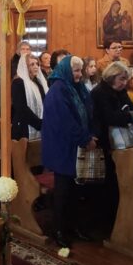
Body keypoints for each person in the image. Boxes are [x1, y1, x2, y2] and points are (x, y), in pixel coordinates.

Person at [91, 62, 133, 233]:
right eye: (121, 79)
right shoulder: (99, 92)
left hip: (120, 144)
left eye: (125, 79)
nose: (124, 83)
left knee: (121, 182)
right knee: (108, 185)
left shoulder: (119, 91)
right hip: (103, 143)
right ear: (112, 76)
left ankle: (124, 221)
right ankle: (109, 225)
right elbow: (109, 117)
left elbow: (129, 108)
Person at [41, 56, 94, 248]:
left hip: (76, 145)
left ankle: (74, 227)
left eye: (80, 70)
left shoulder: (76, 87)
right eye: (76, 71)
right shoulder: (58, 89)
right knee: (63, 192)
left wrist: (89, 134)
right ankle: (58, 230)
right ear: (66, 71)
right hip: (63, 147)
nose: (79, 74)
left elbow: (87, 112)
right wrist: (84, 138)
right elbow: (65, 121)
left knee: (76, 191)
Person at [12, 53, 48, 141]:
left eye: (37, 64)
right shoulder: (18, 82)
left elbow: (45, 102)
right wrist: (38, 123)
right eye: (32, 64)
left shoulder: (38, 83)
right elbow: (21, 107)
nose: (36, 67)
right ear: (25, 67)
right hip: (24, 127)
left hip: (40, 124)